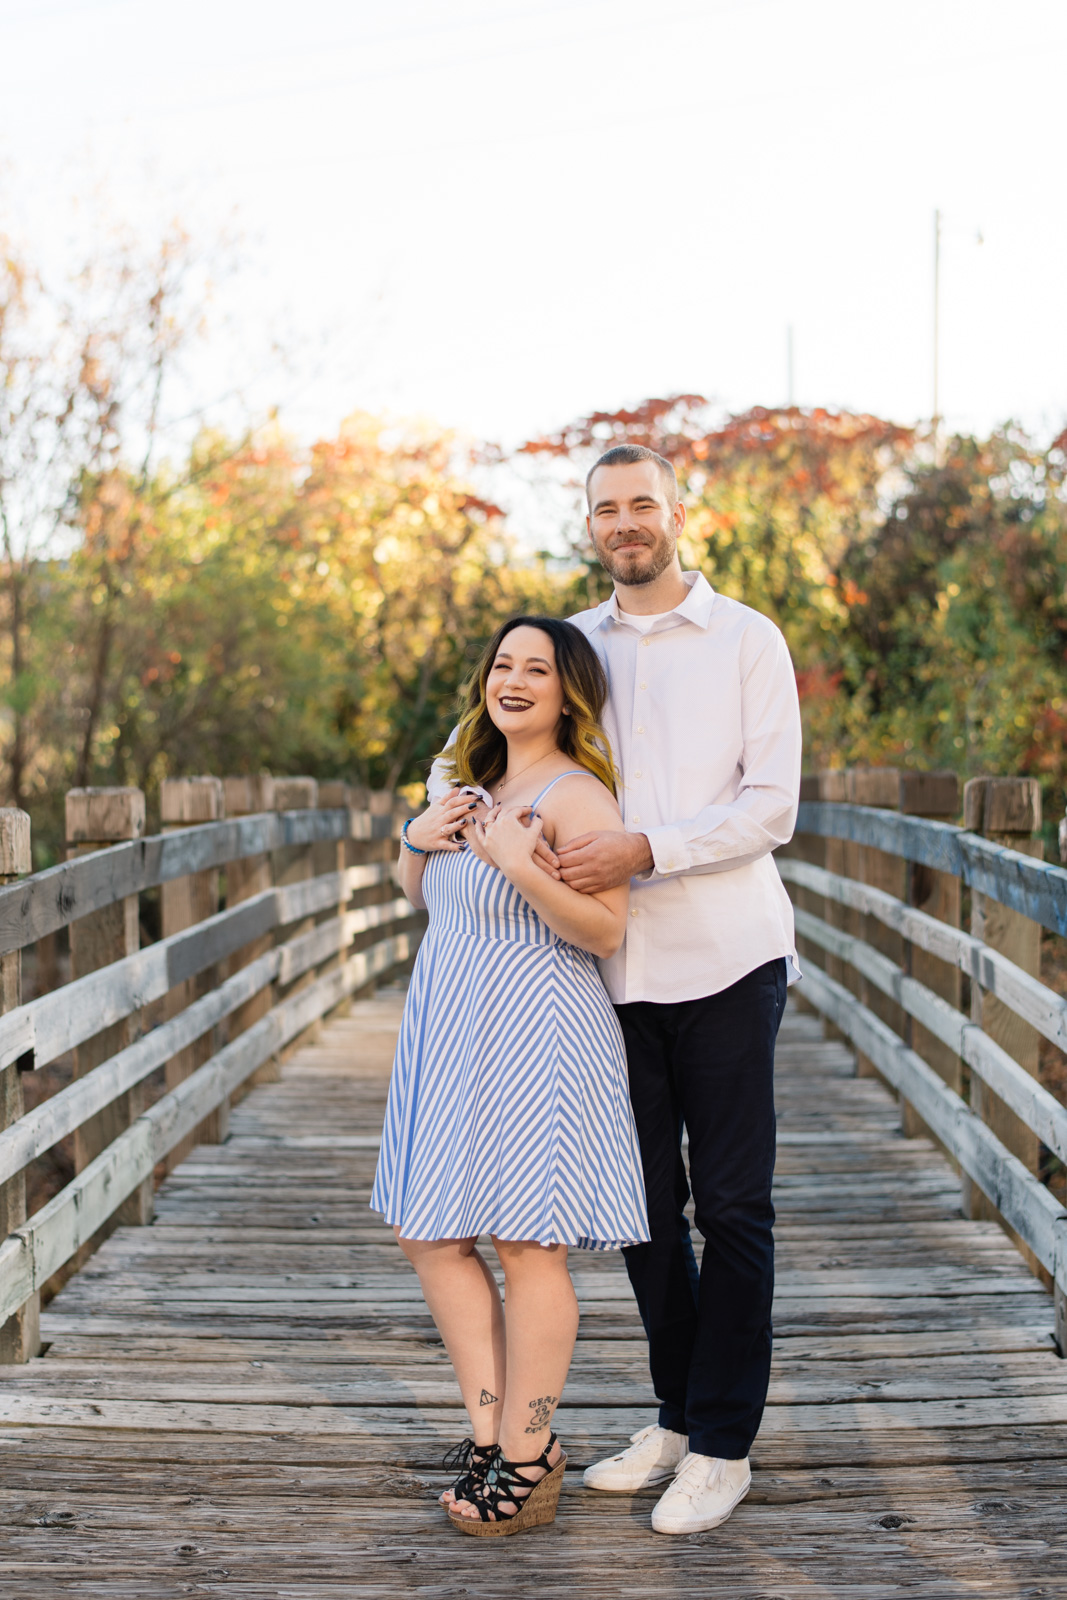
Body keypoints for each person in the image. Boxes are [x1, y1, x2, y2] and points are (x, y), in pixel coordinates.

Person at [429, 442, 802, 1536]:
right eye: (606, 508)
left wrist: (648, 847)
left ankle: (724, 1445)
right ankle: (677, 1419)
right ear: (590, 524)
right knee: (642, 1211)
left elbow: (771, 806)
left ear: (677, 514)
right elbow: (500, 753)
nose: (625, 522)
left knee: (731, 1208)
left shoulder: (744, 639)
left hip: (726, 956)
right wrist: (432, 820)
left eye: (643, 503)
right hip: (604, 972)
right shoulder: (569, 645)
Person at [371, 614, 649, 1538]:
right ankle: (490, 1434)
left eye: (538, 667)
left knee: (528, 1245)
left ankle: (527, 1455)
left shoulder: (576, 796)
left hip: (538, 1031)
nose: (514, 679)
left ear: (569, 690)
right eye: (502, 664)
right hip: (451, 1027)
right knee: (431, 1234)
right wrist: (418, 833)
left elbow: (606, 930)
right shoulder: (465, 778)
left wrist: (518, 862)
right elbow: (417, 892)